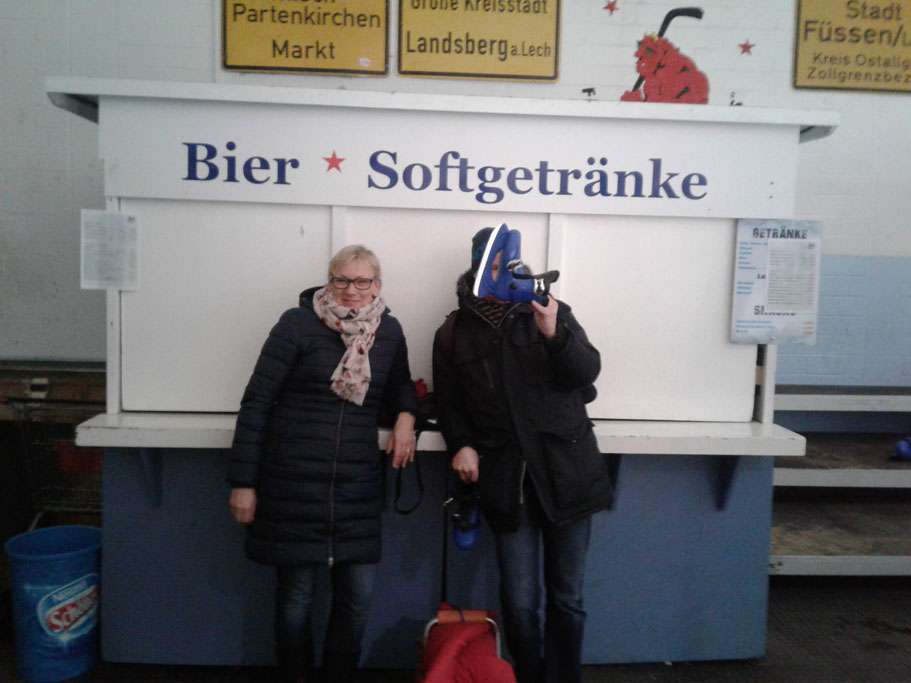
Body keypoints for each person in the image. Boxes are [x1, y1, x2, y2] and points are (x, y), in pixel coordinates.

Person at [228, 245, 418, 683]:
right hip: (293, 483)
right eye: (342, 280)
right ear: (329, 281)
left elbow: (401, 387)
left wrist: (407, 417)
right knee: (296, 599)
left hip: (356, 486)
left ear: (377, 286)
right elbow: (257, 403)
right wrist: (243, 482)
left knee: (356, 600)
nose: (351, 290)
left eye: (362, 281)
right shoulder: (296, 325)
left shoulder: (388, 332)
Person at [432, 228, 613, 683]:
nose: (498, 275)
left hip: (567, 472)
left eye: (505, 265)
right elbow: (450, 404)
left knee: (567, 598)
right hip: (506, 478)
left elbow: (586, 372)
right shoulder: (453, 332)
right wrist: (462, 444)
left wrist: (553, 333)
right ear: (476, 267)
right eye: (488, 266)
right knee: (519, 604)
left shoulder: (549, 309)